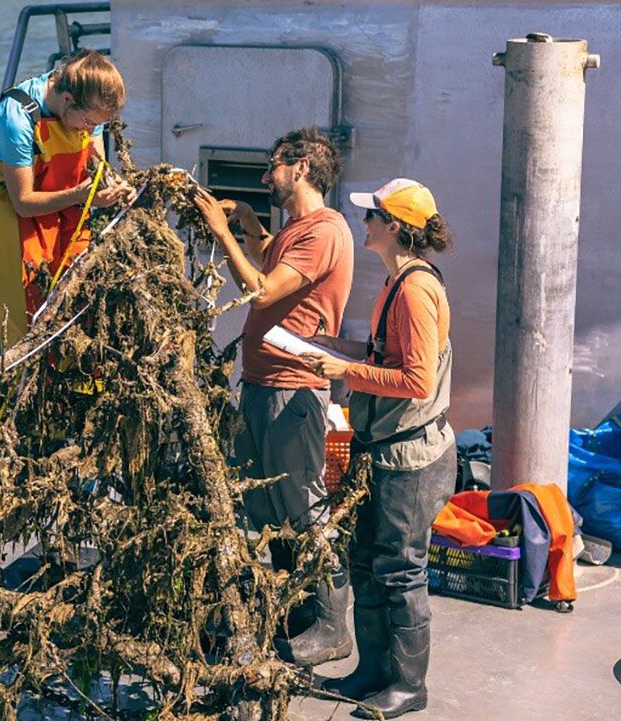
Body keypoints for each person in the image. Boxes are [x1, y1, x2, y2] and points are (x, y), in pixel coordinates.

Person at [193, 127, 354, 665]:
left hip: (293, 390)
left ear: (302, 167)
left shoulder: (324, 231)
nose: (265, 177)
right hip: (264, 387)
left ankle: (333, 627)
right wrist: (249, 224)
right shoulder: (296, 229)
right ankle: (296, 611)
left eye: (273, 167)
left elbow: (262, 289)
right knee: (264, 504)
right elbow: (272, 263)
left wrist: (221, 231)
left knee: (303, 506)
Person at [301, 178, 456, 719]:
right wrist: (329, 345)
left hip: (410, 459)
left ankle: (409, 686)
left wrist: (346, 371)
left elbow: (414, 380)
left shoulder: (413, 289)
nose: (363, 223)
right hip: (383, 451)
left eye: (371, 216)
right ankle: (372, 672)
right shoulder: (397, 282)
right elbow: (384, 355)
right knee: (366, 564)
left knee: (400, 571)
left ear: (395, 227)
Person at [0, 48, 132, 350]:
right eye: (87, 122)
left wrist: (114, 184)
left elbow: (95, 161)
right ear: (67, 100)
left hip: (65, 211)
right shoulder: (16, 118)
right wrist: (83, 195)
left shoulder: (84, 107)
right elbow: (23, 200)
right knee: (27, 323)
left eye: (97, 125)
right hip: (12, 217)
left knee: (76, 308)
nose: (89, 129)